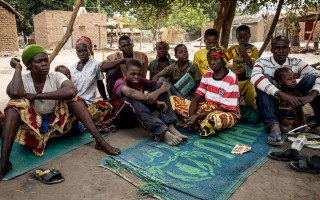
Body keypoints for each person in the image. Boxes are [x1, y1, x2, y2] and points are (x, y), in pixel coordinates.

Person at [0, 44, 120, 180]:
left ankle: (100, 141)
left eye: (46, 60)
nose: (45, 64)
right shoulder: (23, 80)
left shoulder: (56, 76)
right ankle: (4, 162)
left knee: (75, 99)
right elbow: (14, 93)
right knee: (13, 106)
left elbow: (71, 90)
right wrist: (17, 68)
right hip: (34, 130)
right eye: (39, 61)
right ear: (29, 65)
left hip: (59, 124)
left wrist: (37, 96)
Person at [251, 36, 320, 145]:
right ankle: (273, 125)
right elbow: (254, 77)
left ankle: (318, 118)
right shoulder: (262, 62)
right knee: (263, 78)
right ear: (272, 49)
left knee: (312, 78)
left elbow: (317, 74)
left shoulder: (296, 62)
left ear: (289, 49)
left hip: (292, 98)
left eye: (284, 47)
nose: (281, 51)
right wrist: (283, 95)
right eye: (277, 48)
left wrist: (311, 96)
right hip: (271, 101)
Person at [112, 59, 187, 146]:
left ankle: (170, 126)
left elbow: (164, 85)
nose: (136, 76)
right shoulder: (120, 82)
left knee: (159, 88)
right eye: (133, 74)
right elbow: (130, 93)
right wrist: (155, 100)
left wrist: (157, 92)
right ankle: (162, 133)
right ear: (126, 73)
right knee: (130, 98)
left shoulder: (141, 81)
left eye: (139, 74)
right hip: (121, 119)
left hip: (137, 115)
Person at [171, 46, 241, 136]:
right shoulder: (207, 75)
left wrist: (198, 116)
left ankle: (199, 123)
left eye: (215, 59)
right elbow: (196, 97)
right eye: (210, 59)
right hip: (206, 108)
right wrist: (192, 116)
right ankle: (199, 124)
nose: (212, 62)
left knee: (215, 118)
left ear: (222, 60)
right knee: (174, 100)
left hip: (226, 111)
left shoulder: (231, 78)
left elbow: (224, 107)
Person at [68, 36, 114, 132]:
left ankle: (79, 123)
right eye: (79, 51)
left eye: (84, 50)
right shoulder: (72, 68)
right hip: (74, 102)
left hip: (88, 103)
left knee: (106, 108)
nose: (82, 54)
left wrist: (105, 98)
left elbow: (100, 82)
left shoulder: (96, 65)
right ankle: (81, 123)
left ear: (89, 50)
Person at [226, 25, 258, 108]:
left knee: (251, 104)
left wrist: (243, 52)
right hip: (235, 82)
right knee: (234, 104)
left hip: (248, 82)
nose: (243, 39)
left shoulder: (253, 49)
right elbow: (223, 59)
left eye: (245, 37)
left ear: (249, 36)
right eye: (240, 37)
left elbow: (251, 64)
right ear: (236, 36)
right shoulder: (233, 49)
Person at [274, 67, 308, 133]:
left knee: (303, 129)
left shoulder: (297, 94)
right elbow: (274, 111)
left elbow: (300, 110)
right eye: (289, 79)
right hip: (284, 121)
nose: (294, 80)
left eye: (294, 78)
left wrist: (304, 122)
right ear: (280, 82)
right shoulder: (277, 95)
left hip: (296, 121)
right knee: (285, 129)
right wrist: (282, 119)